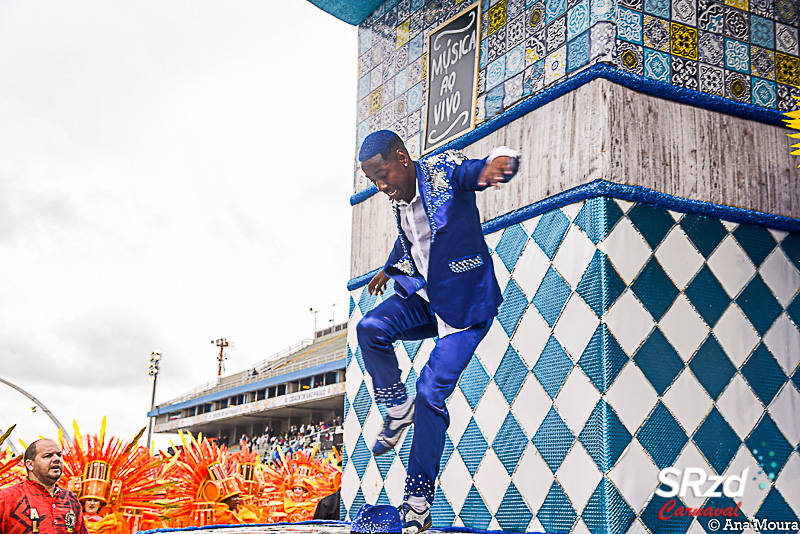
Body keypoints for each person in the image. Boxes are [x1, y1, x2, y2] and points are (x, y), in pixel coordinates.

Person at [356, 130, 519, 533]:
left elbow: (470, 173)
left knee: (430, 394)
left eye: (383, 174)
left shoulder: (441, 173)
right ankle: (397, 407)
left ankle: (417, 500)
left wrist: (492, 168)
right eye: (373, 180)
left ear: (402, 158)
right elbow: (410, 240)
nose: (381, 186)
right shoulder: (399, 202)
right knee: (370, 327)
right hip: (429, 300)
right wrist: (387, 268)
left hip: (465, 309)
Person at [0, 439, 88, 534]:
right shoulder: (7, 498)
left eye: (59, 455)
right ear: (30, 465)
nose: (56, 459)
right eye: (47, 456)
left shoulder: (71, 499)